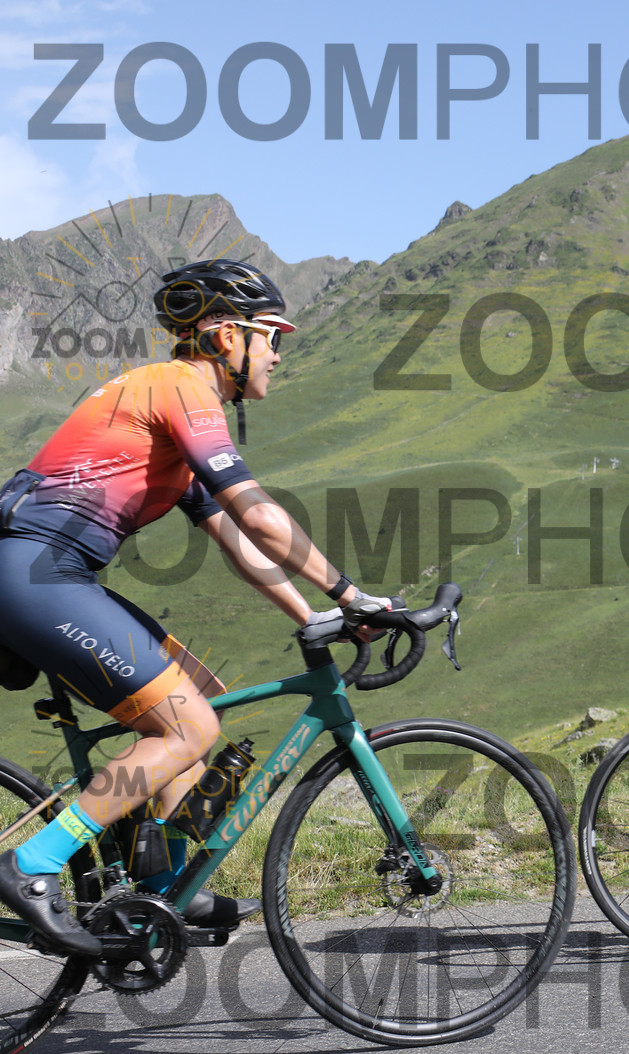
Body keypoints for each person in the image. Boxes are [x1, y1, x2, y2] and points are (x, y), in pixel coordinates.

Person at [0, 260, 384, 955]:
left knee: (204, 697)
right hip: (35, 572)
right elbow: (260, 517)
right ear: (227, 336)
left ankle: (163, 881)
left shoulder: (167, 418)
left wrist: (315, 617)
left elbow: (241, 544)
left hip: (47, 573)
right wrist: (353, 594)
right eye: (272, 336)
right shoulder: (180, 387)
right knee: (187, 725)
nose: (277, 353)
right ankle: (33, 863)